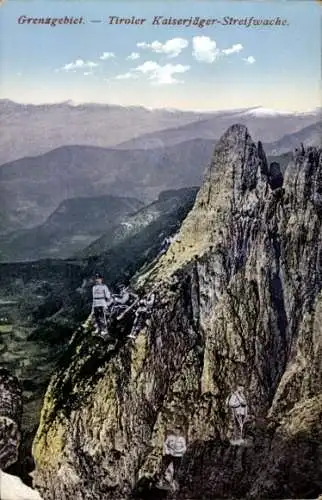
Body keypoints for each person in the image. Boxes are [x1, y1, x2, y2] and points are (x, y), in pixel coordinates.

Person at [91, 273, 113, 337]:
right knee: (96, 317)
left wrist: (108, 301)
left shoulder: (104, 286)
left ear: (101, 279)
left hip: (102, 302)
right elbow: (93, 297)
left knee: (102, 317)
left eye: (99, 279)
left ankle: (104, 330)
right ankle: (98, 328)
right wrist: (93, 307)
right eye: (96, 279)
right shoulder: (94, 287)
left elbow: (107, 295)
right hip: (95, 302)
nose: (97, 280)